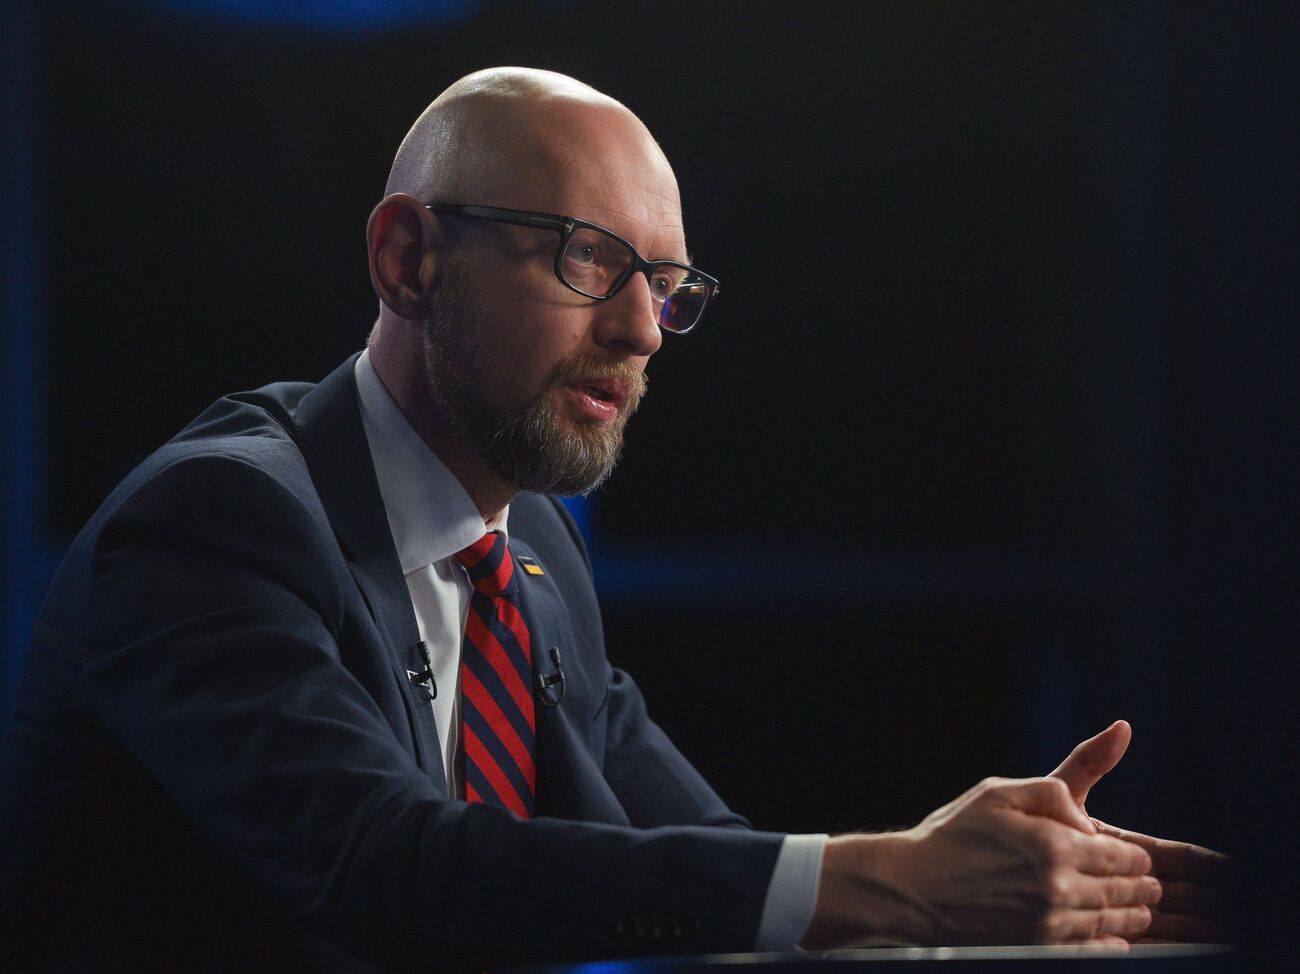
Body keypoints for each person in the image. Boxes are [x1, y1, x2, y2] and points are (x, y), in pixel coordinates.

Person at [0, 68, 1228, 972]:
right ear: (409, 259)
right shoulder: (215, 522)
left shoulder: (534, 545)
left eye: (667, 283)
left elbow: (705, 858)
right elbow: (388, 865)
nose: (643, 330)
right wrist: (891, 882)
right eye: (589, 259)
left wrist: (984, 901)